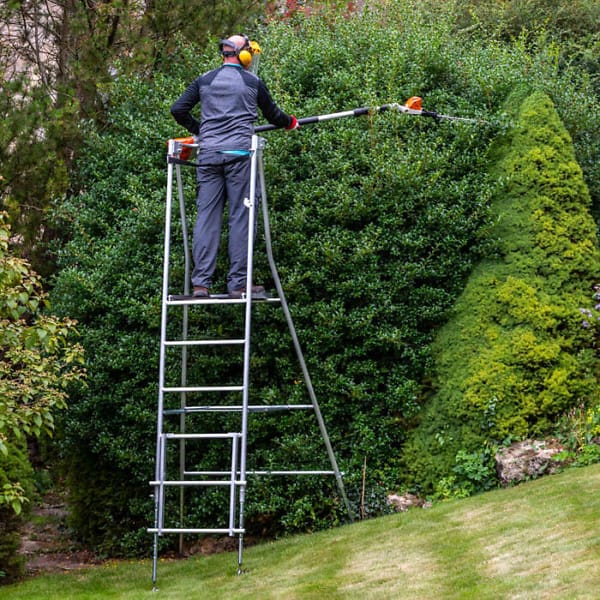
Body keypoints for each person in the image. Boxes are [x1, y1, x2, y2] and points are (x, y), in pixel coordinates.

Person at [170, 34, 299, 298]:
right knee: (241, 217)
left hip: (207, 155)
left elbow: (178, 109)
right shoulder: (252, 82)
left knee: (206, 218)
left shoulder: (205, 79)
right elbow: (274, 115)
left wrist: (201, 132)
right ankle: (238, 284)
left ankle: (201, 285)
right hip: (239, 156)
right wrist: (291, 123)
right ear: (244, 56)